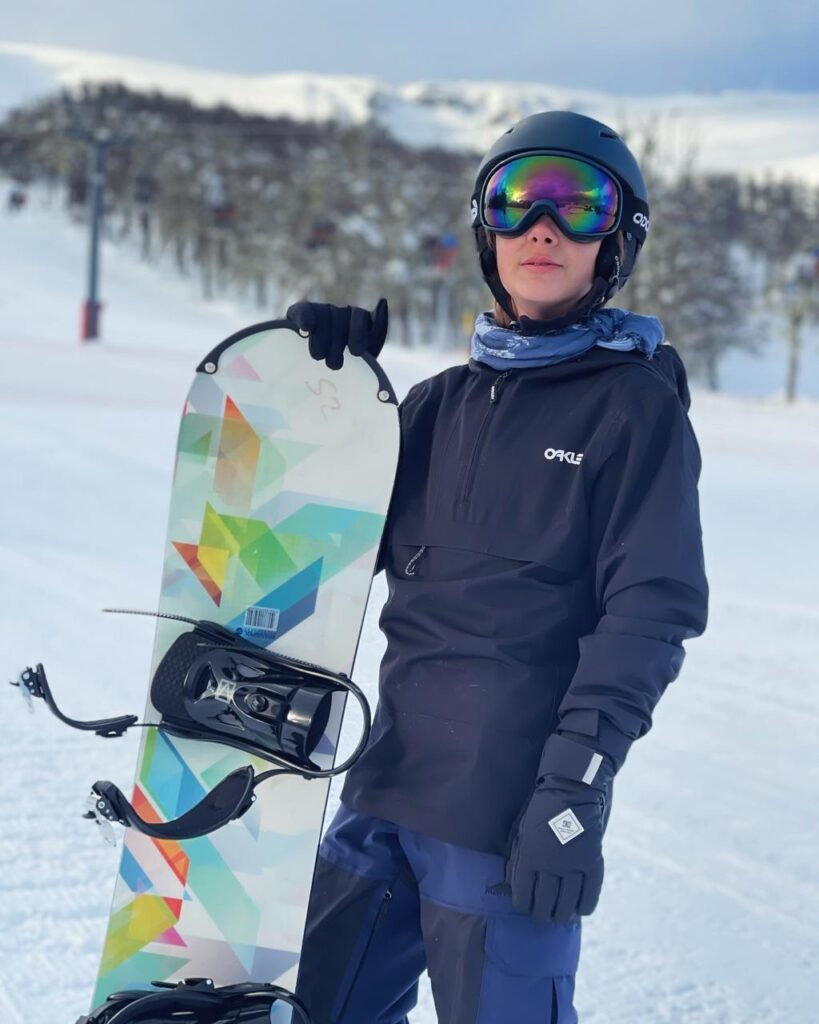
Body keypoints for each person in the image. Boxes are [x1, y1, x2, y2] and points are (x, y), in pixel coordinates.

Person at [287, 109, 709, 1024]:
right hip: (380, 796)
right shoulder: (434, 406)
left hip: (504, 824)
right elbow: (318, 548)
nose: (542, 228)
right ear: (487, 231)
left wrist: (572, 792)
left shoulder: (634, 413)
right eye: (515, 201)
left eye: (579, 204)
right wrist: (324, 397)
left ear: (617, 240)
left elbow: (648, 616)